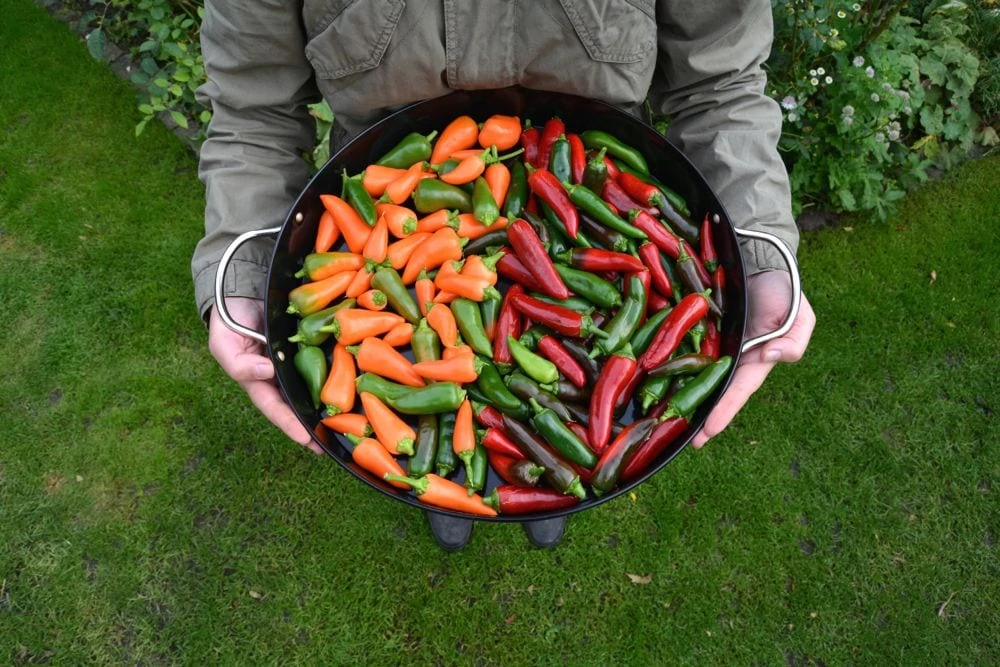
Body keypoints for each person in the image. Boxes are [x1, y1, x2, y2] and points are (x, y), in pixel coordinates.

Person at [192, 1, 816, 551]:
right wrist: (242, 277)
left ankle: (533, 486)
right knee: (450, 425)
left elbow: (721, 87)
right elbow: (254, 114)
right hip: (406, 189)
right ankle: (467, 491)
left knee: (547, 434)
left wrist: (760, 255)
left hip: (562, 167)